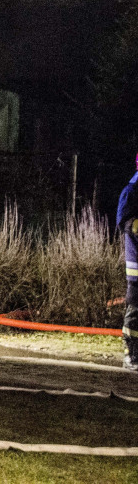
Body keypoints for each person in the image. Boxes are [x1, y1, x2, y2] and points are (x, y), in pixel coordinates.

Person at [116, 153, 138, 371]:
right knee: (134, 312)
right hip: (136, 269)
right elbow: (125, 223)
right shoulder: (131, 192)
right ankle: (130, 355)